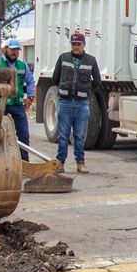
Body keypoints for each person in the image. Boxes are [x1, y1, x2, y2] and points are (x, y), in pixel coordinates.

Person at [52, 32, 100, 173]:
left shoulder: (91, 60)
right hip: (65, 102)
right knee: (63, 135)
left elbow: (97, 81)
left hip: (82, 104)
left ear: (84, 44)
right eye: (74, 44)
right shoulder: (63, 58)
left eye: (78, 44)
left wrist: (86, 90)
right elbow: (55, 78)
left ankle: (80, 162)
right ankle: (60, 162)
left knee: (79, 136)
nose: (76, 47)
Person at [0, 38, 31, 159]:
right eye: (12, 50)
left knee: (24, 136)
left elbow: (30, 81)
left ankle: (25, 162)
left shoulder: (22, 65)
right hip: (1, 105)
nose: (14, 52)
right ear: (6, 49)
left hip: (18, 105)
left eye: (17, 50)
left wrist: (30, 96)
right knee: (0, 135)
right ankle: (3, 161)